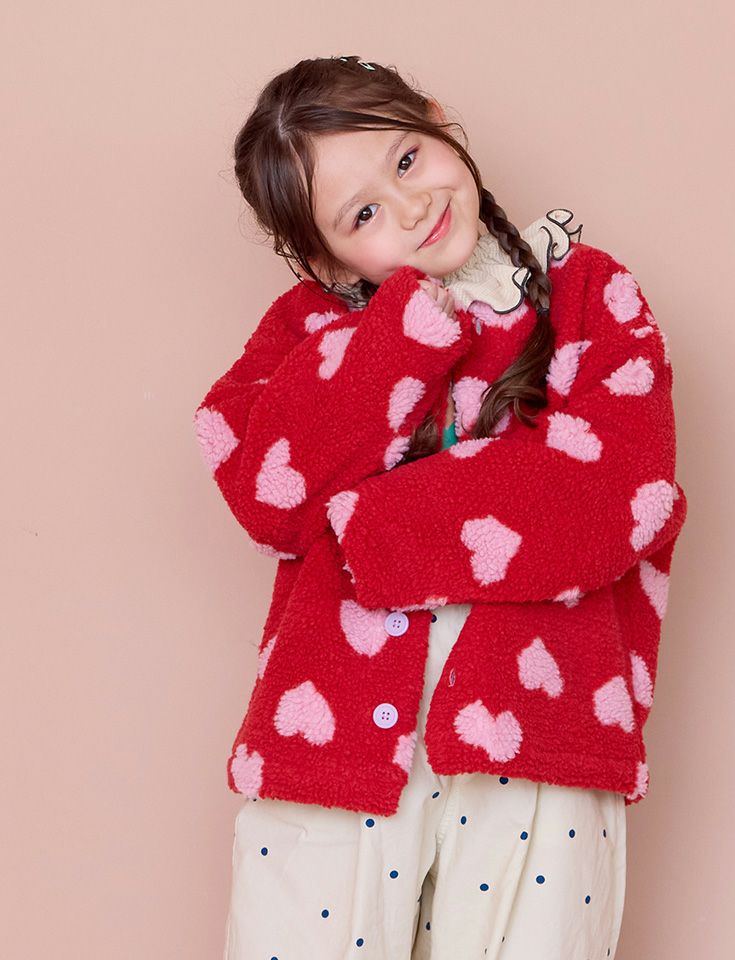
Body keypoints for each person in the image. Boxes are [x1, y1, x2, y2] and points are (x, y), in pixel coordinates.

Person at [193, 54, 688, 960]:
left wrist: (369, 524)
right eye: (364, 215)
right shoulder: (311, 331)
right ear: (324, 257)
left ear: (434, 117)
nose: (413, 206)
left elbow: (618, 496)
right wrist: (406, 331)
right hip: (331, 741)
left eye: (407, 160)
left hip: (541, 742)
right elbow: (269, 489)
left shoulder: (588, 293)